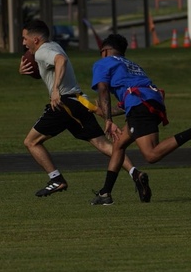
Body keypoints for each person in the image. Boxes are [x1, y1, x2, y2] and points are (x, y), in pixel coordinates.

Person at [88, 33, 191, 206]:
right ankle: (105, 193)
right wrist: (105, 112)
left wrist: (107, 119)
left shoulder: (103, 62)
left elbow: (102, 90)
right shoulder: (131, 65)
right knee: (119, 145)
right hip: (150, 101)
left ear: (106, 51)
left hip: (140, 104)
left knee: (151, 155)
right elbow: (126, 104)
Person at [19, 20, 149, 200]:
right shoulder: (53, 45)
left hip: (64, 104)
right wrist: (30, 71)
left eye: (25, 39)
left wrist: (55, 89)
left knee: (31, 142)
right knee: (103, 145)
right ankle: (136, 173)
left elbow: (60, 60)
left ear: (35, 39)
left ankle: (56, 179)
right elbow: (54, 63)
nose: (23, 43)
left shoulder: (42, 51)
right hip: (79, 100)